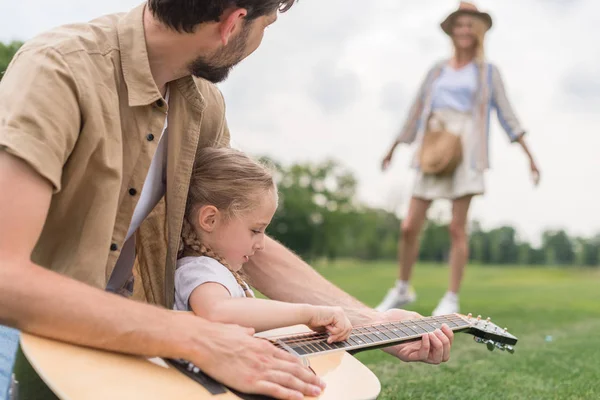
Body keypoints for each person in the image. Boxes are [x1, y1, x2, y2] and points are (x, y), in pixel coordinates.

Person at [0, 1, 454, 399]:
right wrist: (197, 338)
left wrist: (369, 322)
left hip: (134, 341)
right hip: (25, 339)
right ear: (234, 23)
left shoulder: (203, 104)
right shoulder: (57, 69)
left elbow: (235, 238)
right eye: (267, 25)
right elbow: (6, 278)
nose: (261, 40)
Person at [376, 1, 540, 317]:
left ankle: (451, 297)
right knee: (409, 225)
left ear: (478, 31)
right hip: (433, 145)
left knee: (456, 228)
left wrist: (529, 155)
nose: (464, 30)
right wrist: (394, 146)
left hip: (466, 149)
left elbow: (508, 114)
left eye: (470, 25)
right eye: (459, 25)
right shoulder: (437, 70)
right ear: (452, 30)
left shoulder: (488, 72)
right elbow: (415, 109)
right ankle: (402, 288)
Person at [174, 147, 352, 343]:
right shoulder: (198, 269)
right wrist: (308, 313)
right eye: (256, 230)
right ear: (210, 220)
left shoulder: (215, 271)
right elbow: (217, 311)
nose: (261, 245)